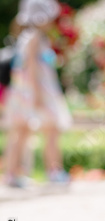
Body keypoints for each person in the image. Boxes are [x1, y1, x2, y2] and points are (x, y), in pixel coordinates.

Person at [2, 0, 71, 187]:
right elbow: (31, 67)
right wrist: (36, 95)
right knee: (50, 130)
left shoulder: (29, 37)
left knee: (21, 131)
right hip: (35, 92)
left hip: (25, 92)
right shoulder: (34, 38)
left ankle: (12, 174)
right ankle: (54, 171)